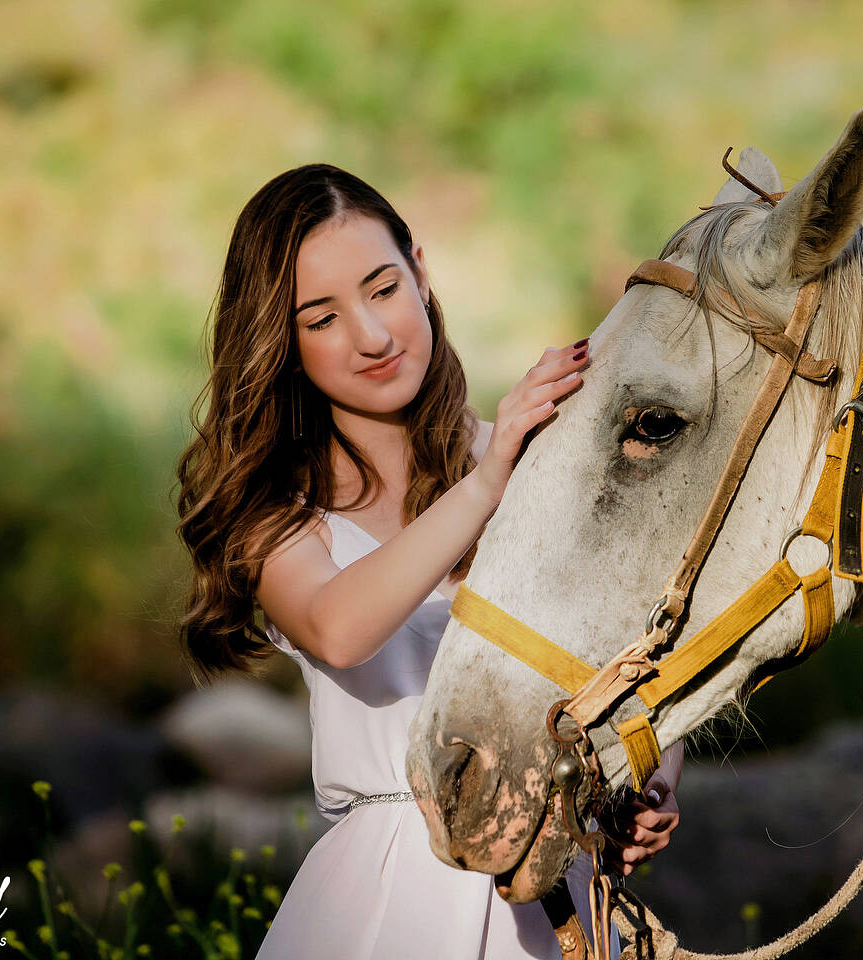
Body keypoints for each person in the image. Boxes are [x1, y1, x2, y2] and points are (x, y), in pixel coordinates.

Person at [175, 164, 682, 959]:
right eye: (322, 318)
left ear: (420, 271)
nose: (372, 336)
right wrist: (488, 483)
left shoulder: (527, 459)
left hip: (558, 898)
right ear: (282, 342)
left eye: (382, 289)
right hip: (390, 903)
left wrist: (650, 778)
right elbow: (340, 630)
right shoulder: (276, 518)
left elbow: (640, 651)